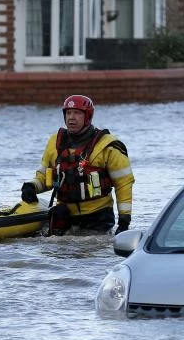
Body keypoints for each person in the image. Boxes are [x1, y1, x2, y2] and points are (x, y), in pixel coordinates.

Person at [21, 95, 134, 235]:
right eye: (68, 113)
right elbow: (45, 177)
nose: (71, 117)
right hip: (64, 215)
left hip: (98, 217)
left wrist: (124, 221)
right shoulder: (54, 142)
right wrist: (31, 186)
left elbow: (123, 184)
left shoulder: (108, 145)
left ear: (88, 116)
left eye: (77, 113)